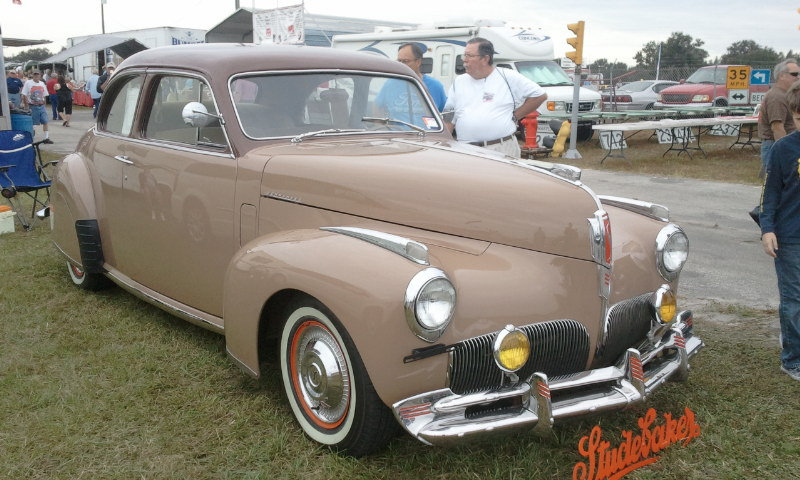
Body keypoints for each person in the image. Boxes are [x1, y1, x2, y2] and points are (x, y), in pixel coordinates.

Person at [443, 37, 547, 157]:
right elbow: (449, 114)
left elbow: (540, 95)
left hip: (502, 148)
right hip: (467, 150)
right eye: (464, 55)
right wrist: (445, 142)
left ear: (485, 59)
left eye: (469, 56)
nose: (464, 60)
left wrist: (515, 116)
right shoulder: (459, 82)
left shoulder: (507, 76)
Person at [759, 80, 800, 382]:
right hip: (790, 236)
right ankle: (793, 359)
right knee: (794, 299)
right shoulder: (783, 149)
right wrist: (767, 228)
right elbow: (770, 193)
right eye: (799, 117)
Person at [757, 59, 800, 178]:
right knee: (776, 183)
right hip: (775, 144)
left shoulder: (787, 95)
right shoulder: (777, 97)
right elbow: (777, 127)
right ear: (782, 76)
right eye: (794, 74)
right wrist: (787, 151)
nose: (798, 77)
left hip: (781, 144)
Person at [396, 42, 447, 112]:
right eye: (399, 61)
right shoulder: (390, 84)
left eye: (405, 61)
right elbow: (379, 109)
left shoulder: (435, 86)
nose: (401, 65)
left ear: (418, 62)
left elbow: (445, 113)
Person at [20, 70, 53, 143]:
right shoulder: (28, 83)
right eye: (35, 75)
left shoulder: (42, 84)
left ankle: (46, 138)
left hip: (41, 105)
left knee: (45, 121)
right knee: (33, 123)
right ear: (32, 75)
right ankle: (32, 138)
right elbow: (24, 94)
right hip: (32, 105)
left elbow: (45, 95)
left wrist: (45, 105)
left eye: (37, 75)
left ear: (40, 75)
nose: (36, 76)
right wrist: (26, 105)